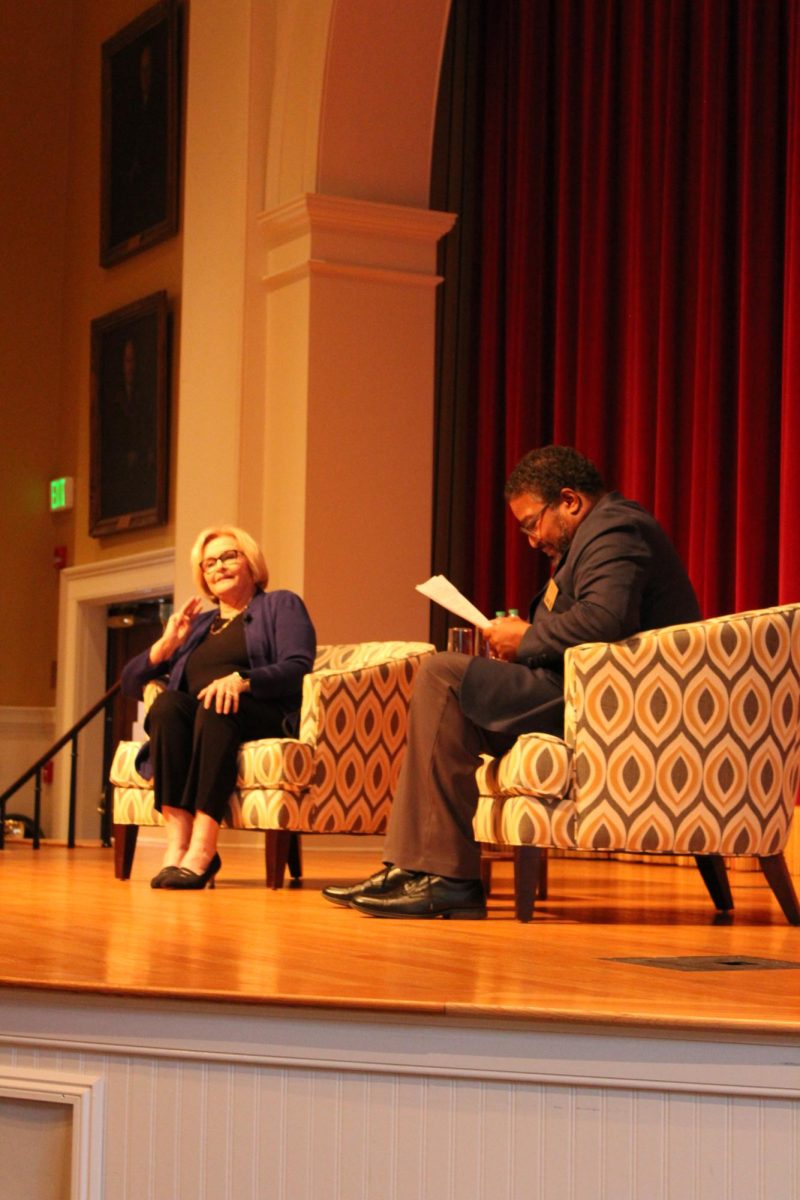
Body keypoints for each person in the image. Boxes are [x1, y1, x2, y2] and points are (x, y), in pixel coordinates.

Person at [322, 445, 700, 919]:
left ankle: (446, 878)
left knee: (442, 672)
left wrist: (525, 638)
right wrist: (524, 639)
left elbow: (605, 619)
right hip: (577, 690)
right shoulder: (591, 538)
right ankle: (421, 869)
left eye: (531, 523)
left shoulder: (616, 528)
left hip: (613, 703)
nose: (531, 539)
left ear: (570, 501)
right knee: (447, 705)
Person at [121, 525, 316, 890]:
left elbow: (297, 667)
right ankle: (177, 842)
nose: (219, 567)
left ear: (251, 563)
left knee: (216, 703)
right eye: (210, 563)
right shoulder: (199, 627)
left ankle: (204, 847)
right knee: (166, 707)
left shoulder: (280, 604)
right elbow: (129, 681)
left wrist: (242, 680)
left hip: (261, 711)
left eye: (229, 556)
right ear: (204, 578)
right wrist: (166, 645)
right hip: (205, 719)